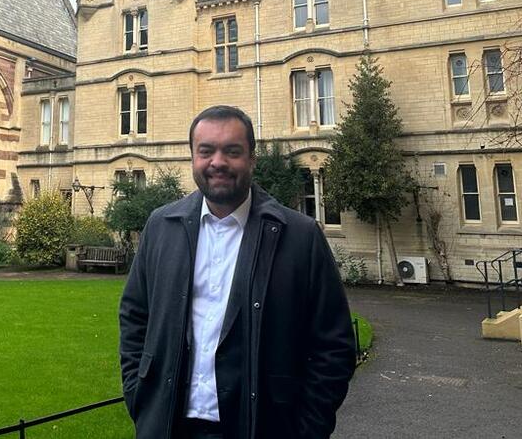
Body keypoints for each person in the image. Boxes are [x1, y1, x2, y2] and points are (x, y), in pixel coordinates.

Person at [119, 105, 355, 438]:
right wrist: (140, 395)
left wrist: (307, 430)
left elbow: (334, 346)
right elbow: (134, 316)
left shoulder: (299, 236)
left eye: (232, 151)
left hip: (261, 425)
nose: (218, 162)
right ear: (192, 158)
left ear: (251, 160)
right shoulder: (161, 226)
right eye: (206, 151)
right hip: (170, 424)